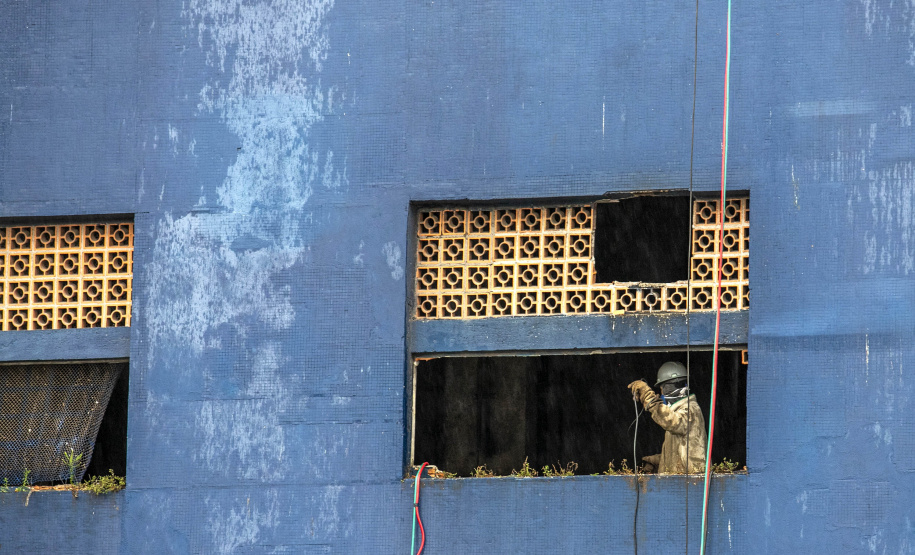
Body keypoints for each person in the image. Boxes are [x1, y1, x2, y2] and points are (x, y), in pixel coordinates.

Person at [627, 362, 707, 474]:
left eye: (662, 388)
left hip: (690, 484)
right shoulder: (680, 411)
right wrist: (658, 461)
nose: (662, 393)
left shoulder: (691, 409)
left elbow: (672, 421)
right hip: (679, 482)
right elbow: (680, 454)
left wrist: (649, 398)